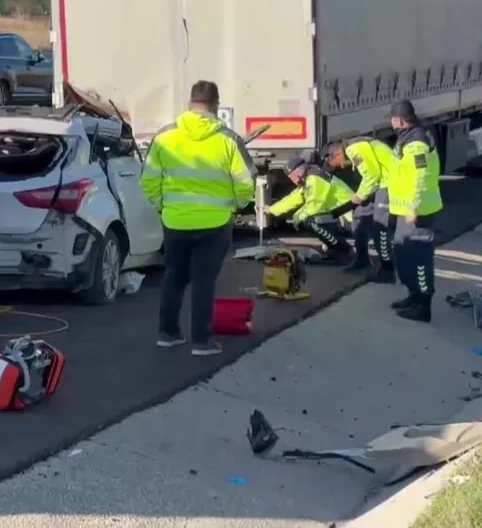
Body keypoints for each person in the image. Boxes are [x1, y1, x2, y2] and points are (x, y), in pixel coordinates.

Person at [140, 80, 255, 357]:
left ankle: (168, 333)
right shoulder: (228, 139)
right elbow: (246, 180)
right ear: (215, 104)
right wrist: (237, 206)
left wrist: (162, 206)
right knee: (204, 281)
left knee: (174, 277)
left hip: (175, 221)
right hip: (215, 223)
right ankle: (202, 341)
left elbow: (149, 180)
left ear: (190, 103)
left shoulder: (165, 137)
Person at [387, 100, 443, 322]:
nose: (391, 123)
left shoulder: (417, 142)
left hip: (419, 211)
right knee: (403, 253)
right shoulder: (407, 137)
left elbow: (420, 177)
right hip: (405, 209)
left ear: (400, 119)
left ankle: (423, 305)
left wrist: (413, 208)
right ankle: (413, 295)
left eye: (392, 119)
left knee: (419, 257)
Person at [325, 135, 399, 279]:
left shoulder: (354, 149)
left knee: (380, 227)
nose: (341, 166)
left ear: (339, 153)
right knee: (359, 215)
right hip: (381, 183)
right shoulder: (355, 147)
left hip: (391, 183)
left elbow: (372, 176)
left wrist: (359, 196)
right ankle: (362, 260)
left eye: (337, 163)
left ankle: (387, 270)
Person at [266, 155, 356, 261]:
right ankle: (336, 248)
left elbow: (314, 205)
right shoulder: (309, 177)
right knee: (310, 219)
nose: (292, 180)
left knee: (311, 221)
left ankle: (342, 250)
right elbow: (293, 198)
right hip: (341, 216)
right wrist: (271, 209)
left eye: (292, 177)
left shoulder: (316, 178)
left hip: (350, 218)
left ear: (299, 171)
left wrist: (297, 218)